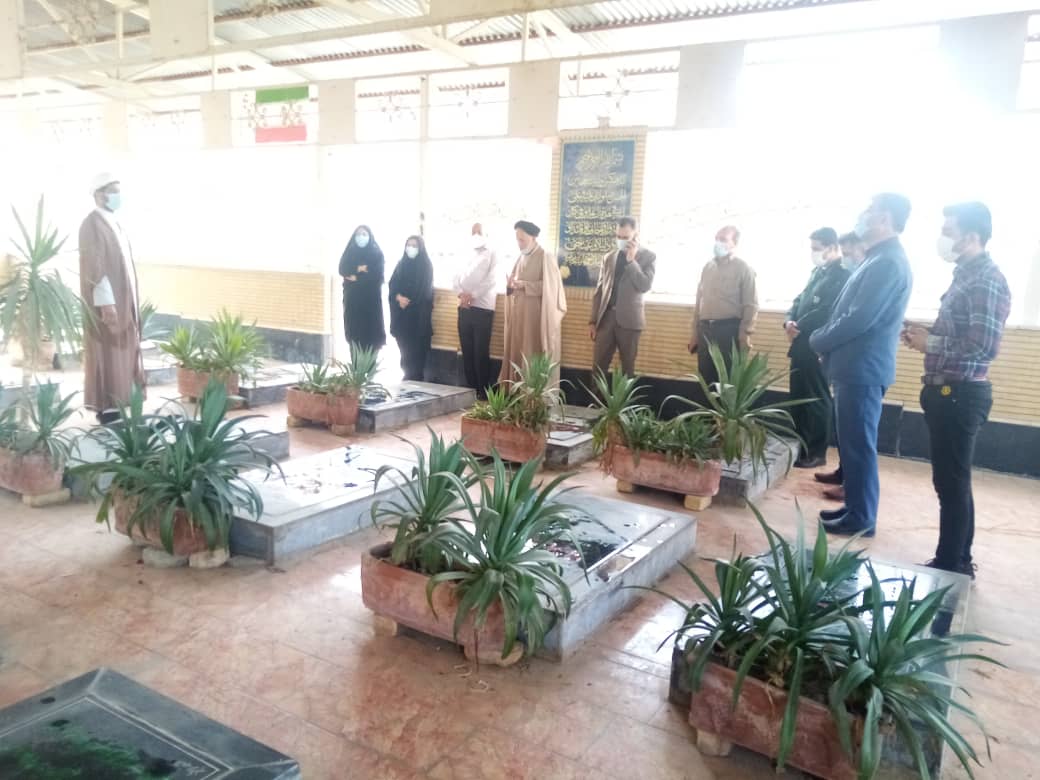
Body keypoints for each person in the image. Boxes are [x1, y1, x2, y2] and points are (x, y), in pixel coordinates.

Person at [902, 202, 1010, 579]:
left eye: (949, 231)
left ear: (972, 236)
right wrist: (924, 332)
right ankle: (958, 559)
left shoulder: (986, 280)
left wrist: (930, 343)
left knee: (952, 483)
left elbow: (984, 347)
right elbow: (959, 331)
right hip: (947, 393)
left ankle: (950, 565)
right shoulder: (965, 276)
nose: (942, 238)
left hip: (961, 395)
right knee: (952, 482)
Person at [810, 193, 914, 537]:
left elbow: (859, 318)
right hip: (855, 367)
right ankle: (854, 507)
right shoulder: (877, 258)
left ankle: (862, 518)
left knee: (859, 445)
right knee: (853, 444)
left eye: (870, 210)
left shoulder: (888, 262)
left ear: (884, 218)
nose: (863, 215)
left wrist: (818, 340)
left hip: (863, 368)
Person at [78, 172, 145, 424]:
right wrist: (106, 302)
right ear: (99, 195)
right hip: (109, 303)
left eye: (119, 191)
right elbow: (95, 267)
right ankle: (107, 408)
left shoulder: (113, 222)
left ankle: (123, 402)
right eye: (113, 191)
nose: (118, 196)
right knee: (108, 352)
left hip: (124, 298)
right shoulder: (92, 224)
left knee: (124, 351)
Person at [784, 227, 850, 468]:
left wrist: (799, 325)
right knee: (799, 395)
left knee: (816, 397)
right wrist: (789, 321)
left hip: (818, 344)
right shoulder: (817, 272)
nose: (813, 253)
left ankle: (816, 451)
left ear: (832, 247)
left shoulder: (843, 275)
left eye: (817, 248)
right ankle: (800, 445)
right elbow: (799, 300)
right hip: (800, 343)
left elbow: (827, 310)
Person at [814, 231, 867, 498]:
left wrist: (820, 341)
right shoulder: (855, 275)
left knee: (858, 434)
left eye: (849, 252)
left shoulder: (872, 274)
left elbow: (852, 321)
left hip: (862, 366)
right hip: (844, 361)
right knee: (846, 428)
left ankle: (854, 493)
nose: (847, 258)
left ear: (862, 248)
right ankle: (845, 473)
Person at [687, 225, 758, 387]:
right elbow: (699, 302)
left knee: (727, 381)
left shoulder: (743, 268)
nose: (718, 243)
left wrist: (745, 334)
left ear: (735, 243)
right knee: (706, 380)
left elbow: (751, 304)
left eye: (723, 239)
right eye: (717, 239)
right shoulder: (708, 267)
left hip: (728, 330)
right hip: (705, 329)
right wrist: (695, 333)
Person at [499, 220, 567, 386]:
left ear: (534, 238)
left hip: (535, 320)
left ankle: (532, 397)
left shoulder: (546, 257)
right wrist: (511, 287)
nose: (519, 244)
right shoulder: (521, 257)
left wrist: (524, 285)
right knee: (518, 355)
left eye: (522, 240)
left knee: (531, 355)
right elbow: (515, 284)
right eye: (517, 240)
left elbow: (551, 288)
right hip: (519, 319)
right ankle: (516, 392)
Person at [588, 216, 656, 378]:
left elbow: (645, 285)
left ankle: (624, 397)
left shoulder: (648, 256)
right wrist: (592, 321)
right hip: (606, 319)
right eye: (618, 236)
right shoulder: (608, 257)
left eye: (625, 237)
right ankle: (595, 396)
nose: (621, 240)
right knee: (598, 367)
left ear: (635, 234)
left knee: (627, 368)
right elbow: (599, 291)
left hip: (630, 321)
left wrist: (631, 262)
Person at [453, 223, 499, 398]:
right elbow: (455, 275)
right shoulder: (464, 251)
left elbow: (492, 280)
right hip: (464, 306)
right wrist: (461, 293)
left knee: (480, 352)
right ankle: (470, 390)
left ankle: (483, 391)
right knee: (467, 350)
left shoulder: (493, 251)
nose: (476, 234)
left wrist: (473, 295)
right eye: (473, 232)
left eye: (479, 231)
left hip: (483, 308)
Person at [388, 235, 435, 382]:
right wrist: (398, 298)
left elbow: (424, 291)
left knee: (417, 352)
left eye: (414, 246)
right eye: (408, 245)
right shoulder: (401, 264)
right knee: (405, 351)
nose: (411, 248)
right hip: (402, 317)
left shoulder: (426, 266)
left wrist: (408, 302)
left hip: (418, 318)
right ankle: (407, 377)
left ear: (420, 248)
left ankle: (416, 379)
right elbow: (392, 285)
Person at [339, 225, 386, 353]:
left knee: (370, 337)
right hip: (352, 302)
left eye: (364, 234)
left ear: (370, 237)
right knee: (354, 336)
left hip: (370, 303)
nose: (361, 237)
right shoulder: (349, 252)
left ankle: (369, 365)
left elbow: (377, 277)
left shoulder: (376, 254)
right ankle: (356, 365)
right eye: (358, 234)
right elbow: (342, 269)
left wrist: (356, 278)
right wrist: (358, 268)